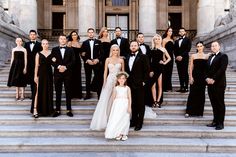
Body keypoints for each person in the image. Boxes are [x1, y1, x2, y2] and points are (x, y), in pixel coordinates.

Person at [90, 44, 124, 130]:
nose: (115, 52)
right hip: (109, 80)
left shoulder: (121, 60)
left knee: (116, 99)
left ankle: (115, 118)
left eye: (117, 50)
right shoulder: (107, 59)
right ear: (111, 50)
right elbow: (105, 71)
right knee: (106, 98)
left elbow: (123, 72)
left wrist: (122, 82)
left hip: (118, 80)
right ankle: (105, 118)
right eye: (114, 50)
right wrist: (104, 82)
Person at [126, 40, 149, 131]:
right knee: (133, 104)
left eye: (135, 45)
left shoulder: (143, 57)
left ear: (138, 46)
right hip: (130, 85)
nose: (133, 47)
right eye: (132, 45)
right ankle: (134, 120)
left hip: (140, 84)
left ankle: (140, 123)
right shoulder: (127, 57)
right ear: (129, 47)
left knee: (140, 104)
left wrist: (144, 82)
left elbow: (147, 70)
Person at [51, 34, 75, 117]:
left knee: (68, 92)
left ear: (66, 40)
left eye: (64, 39)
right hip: (57, 74)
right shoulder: (54, 50)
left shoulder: (70, 50)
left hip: (68, 74)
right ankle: (57, 110)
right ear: (59, 40)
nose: (62, 40)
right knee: (58, 92)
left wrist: (65, 67)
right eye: (61, 39)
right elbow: (52, 61)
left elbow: (73, 61)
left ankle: (69, 110)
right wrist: (58, 67)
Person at [206, 41, 228, 130]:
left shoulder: (223, 56)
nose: (214, 47)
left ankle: (220, 123)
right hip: (210, 84)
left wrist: (213, 79)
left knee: (220, 104)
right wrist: (207, 78)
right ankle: (215, 121)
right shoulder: (210, 57)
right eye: (212, 46)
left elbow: (222, 69)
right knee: (213, 104)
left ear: (219, 47)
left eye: (215, 46)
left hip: (219, 84)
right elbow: (206, 70)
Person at [105, 72, 131, 141]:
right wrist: (113, 108)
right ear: (117, 80)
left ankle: (124, 133)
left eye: (123, 78)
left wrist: (129, 107)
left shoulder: (127, 88)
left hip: (125, 104)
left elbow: (129, 98)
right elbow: (113, 99)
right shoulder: (115, 88)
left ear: (125, 79)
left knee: (125, 118)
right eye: (120, 78)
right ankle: (118, 133)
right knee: (118, 118)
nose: (121, 80)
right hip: (117, 105)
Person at [185, 41, 209, 118]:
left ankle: (199, 112)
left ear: (203, 47)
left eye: (200, 46)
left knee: (201, 94)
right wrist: (190, 77)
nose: (199, 48)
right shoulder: (193, 56)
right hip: (195, 77)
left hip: (203, 78)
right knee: (192, 94)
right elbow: (190, 67)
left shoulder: (206, 56)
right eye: (198, 46)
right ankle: (188, 111)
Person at [31, 39, 54, 118]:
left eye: (46, 44)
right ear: (41, 45)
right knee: (38, 91)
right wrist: (35, 76)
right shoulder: (38, 54)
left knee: (48, 91)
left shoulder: (52, 53)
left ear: (48, 45)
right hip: (40, 74)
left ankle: (48, 110)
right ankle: (35, 110)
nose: (45, 45)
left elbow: (54, 63)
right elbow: (36, 66)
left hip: (49, 74)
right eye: (43, 44)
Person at [81, 28, 104, 99]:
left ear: (94, 33)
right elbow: (82, 53)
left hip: (96, 63)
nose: (91, 34)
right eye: (89, 32)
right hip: (88, 63)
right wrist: (87, 60)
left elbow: (102, 53)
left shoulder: (99, 42)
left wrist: (98, 59)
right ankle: (88, 94)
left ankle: (99, 94)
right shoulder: (84, 43)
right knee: (88, 79)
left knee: (98, 79)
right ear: (88, 34)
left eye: (92, 32)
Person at [149, 34, 171, 108]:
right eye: (156, 39)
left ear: (160, 40)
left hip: (160, 68)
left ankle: (158, 101)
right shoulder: (151, 49)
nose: (157, 40)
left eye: (158, 39)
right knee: (152, 85)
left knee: (160, 85)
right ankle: (154, 101)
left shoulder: (163, 49)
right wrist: (150, 70)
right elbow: (149, 61)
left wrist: (164, 63)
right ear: (154, 40)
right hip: (153, 68)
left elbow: (169, 58)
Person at [24, 30, 42, 98]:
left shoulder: (39, 44)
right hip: (29, 65)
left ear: (36, 35)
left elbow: (41, 54)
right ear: (29, 35)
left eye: (34, 34)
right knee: (31, 80)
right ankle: (33, 94)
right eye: (31, 34)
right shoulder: (26, 44)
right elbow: (25, 55)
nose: (32, 36)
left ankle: (37, 94)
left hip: (37, 65)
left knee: (36, 80)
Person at [174, 27, 191, 93]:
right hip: (178, 59)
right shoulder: (176, 41)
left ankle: (186, 87)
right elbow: (175, 50)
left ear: (185, 32)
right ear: (179, 33)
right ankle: (181, 87)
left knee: (185, 72)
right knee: (180, 73)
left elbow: (188, 49)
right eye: (180, 31)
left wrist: (181, 56)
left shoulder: (188, 40)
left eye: (182, 31)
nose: (181, 32)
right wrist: (177, 56)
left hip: (184, 58)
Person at [67, 30, 83, 99]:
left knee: (78, 77)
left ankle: (78, 94)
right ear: (71, 36)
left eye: (75, 35)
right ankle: (71, 94)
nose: (74, 36)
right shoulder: (69, 43)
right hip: (71, 62)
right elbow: (67, 53)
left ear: (77, 36)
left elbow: (81, 54)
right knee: (71, 77)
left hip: (78, 62)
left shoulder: (79, 44)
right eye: (73, 35)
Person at [162, 27, 174, 92]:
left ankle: (169, 87)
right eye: (169, 31)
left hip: (171, 57)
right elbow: (163, 49)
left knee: (170, 72)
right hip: (166, 57)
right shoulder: (164, 40)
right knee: (165, 72)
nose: (170, 32)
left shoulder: (172, 40)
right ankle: (165, 87)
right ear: (167, 32)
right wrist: (163, 57)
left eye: (171, 31)